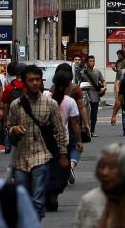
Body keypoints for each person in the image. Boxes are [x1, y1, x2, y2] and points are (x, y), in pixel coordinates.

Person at [5, 65, 68, 220]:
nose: (34, 83)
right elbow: (8, 128)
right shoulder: (16, 105)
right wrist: (14, 130)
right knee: (22, 197)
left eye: (37, 80)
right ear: (24, 82)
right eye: (31, 80)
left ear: (41, 82)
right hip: (21, 157)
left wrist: (63, 154)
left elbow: (60, 131)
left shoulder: (50, 104)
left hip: (42, 155)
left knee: (38, 199)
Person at [45, 67, 83, 212]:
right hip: (64, 141)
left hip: (46, 141)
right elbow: (74, 124)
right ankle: (54, 192)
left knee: (47, 167)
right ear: (68, 85)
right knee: (63, 170)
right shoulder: (70, 102)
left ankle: (48, 191)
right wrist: (79, 141)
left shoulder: (45, 99)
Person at [76, 55, 106, 136]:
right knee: (85, 114)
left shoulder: (97, 72)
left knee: (94, 115)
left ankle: (92, 130)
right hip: (85, 96)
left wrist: (104, 88)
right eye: (90, 61)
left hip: (95, 96)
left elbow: (103, 81)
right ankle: (86, 129)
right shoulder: (82, 73)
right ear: (86, 62)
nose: (92, 62)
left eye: (93, 61)